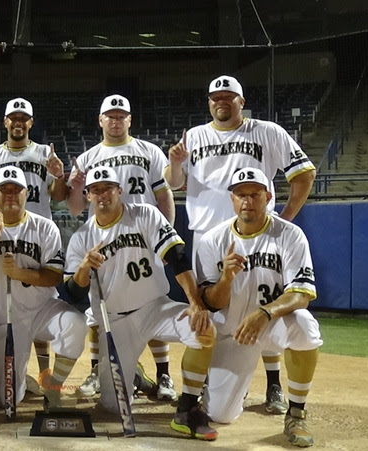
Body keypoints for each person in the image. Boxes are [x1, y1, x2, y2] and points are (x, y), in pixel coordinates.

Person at [165, 75, 317, 414]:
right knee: (216, 315)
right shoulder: (195, 136)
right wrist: (175, 163)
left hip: (260, 231)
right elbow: (174, 183)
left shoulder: (266, 131)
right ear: (208, 102)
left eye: (229, 96)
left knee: (267, 303)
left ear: (241, 101)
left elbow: (304, 173)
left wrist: (286, 218)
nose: (222, 101)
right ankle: (212, 384)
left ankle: (274, 384)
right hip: (210, 237)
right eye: (215, 96)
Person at [65, 166, 218, 441]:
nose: (103, 195)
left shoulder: (144, 214)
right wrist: (84, 267)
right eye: (96, 190)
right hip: (116, 321)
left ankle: (187, 407)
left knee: (203, 329)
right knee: (112, 406)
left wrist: (195, 302)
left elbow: (177, 255)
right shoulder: (81, 239)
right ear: (87, 195)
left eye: (108, 188)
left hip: (155, 307)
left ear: (119, 190)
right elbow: (74, 292)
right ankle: (133, 376)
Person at [196, 167, 322, 447]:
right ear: (232, 199)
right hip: (233, 332)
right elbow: (211, 302)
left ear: (267, 197)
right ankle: (229, 388)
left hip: (272, 325)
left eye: (254, 194)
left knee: (304, 324)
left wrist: (265, 313)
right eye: (241, 194)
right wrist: (226, 279)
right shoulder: (212, 241)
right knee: (220, 415)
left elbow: (302, 294)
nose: (247, 201)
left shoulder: (290, 235)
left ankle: (297, 413)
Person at [66, 94, 176, 401]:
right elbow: (75, 208)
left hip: (144, 236)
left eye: (121, 116)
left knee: (152, 301)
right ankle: (96, 370)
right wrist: (74, 185)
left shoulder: (149, 151)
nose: (115, 121)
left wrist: (164, 239)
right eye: (110, 116)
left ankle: (164, 373)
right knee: (98, 310)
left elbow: (164, 196)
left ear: (130, 120)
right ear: (100, 121)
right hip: (105, 243)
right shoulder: (87, 157)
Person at [0, 166, 86, 409]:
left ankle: (54, 386)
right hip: (3, 318)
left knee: (76, 324)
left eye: (16, 190)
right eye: (4, 189)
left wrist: (21, 273)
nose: (10, 194)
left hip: (43, 310)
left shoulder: (45, 227)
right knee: (7, 399)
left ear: (26, 193)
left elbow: (54, 276)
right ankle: (22, 383)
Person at [0, 98, 68, 396]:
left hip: (37, 233)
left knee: (39, 299)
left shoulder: (43, 154)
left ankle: (43, 371)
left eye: (23, 118)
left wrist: (59, 174)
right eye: (13, 117)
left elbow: (60, 195)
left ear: (30, 122)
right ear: (5, 122)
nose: (18, 122)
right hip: (1, 230)